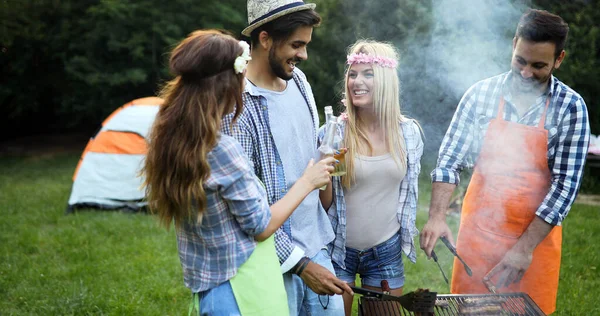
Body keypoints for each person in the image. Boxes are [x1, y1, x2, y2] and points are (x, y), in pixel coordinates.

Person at [141, 29, 338, 316]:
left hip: (209, 291)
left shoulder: (174, 138)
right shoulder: (221, 149)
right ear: (226, 83)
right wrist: (307, 183)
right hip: (243, 292)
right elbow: (261, 226)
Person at [419, 9, 590, 314]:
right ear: (513, 45)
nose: (526, 73)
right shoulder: (480, 95)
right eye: (520, 61)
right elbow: (448, 161)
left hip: (534, 246)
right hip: (478, 237)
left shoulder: (571, 108)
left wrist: (523, 250)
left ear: (559, 59)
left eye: (538, 66)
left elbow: (565, 187)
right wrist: (436, 216)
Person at [221, 1, 352, 315]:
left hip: (318, 248)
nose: (303, 55)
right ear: (265, 39)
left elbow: (308, 158)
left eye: (305, 45)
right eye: (296, 45)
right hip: (273, 262)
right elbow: (246, 212)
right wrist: (299, 264)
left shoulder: (300, 83)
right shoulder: (236, 107)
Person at [319, 40, 424, 316]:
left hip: (384, 252)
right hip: (337, 249)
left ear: (387, 81)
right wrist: (324, 174)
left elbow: (408, 192)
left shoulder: (409, 133)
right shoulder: (335, 133)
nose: (356, 81)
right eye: (352, 74)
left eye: (367, 74)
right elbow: (325, 205)